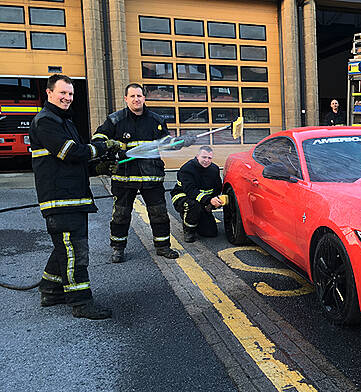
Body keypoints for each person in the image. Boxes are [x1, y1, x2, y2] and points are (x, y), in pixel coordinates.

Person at [30, 74, 121, 319]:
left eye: (70, 94)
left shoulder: (63, 121)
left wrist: (98, 168)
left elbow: (76, 162)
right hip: (60, 199)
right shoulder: (45, 121)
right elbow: (69, 153)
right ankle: (81, 302)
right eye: (63, 93)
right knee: (74, 251)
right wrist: (102, 147)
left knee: (65, 247)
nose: (68, 98)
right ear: (49, 93)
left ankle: (50, 291)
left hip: (72, 198)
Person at [92, 83, 194, 263]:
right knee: (121, 215)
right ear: (125, 99)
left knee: (159, 213)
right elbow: (99, 137)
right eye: (132, 96)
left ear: (144, 98)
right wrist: (108, 149)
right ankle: (118, 249)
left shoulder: (156, 120)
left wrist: (182, 141)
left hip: (151, 177)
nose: (136, 99)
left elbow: (166, 143)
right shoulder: (115, 120)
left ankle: (163, 246)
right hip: (124, 176)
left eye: (139, 96)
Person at [170, 146, 224, 243]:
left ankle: (198, 218)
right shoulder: (187, 169)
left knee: (210, 233)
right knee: (193, 205)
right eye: (204, 157)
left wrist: (213, 202)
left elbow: (217, 188)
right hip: (183, 197)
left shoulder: (214, 169)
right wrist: (209, 200)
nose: (206, 160)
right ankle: (188, 230)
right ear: (197, 156)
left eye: (209, 158)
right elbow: (191, 191)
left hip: (202, 200)